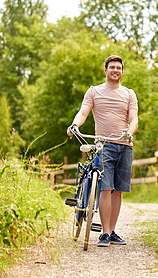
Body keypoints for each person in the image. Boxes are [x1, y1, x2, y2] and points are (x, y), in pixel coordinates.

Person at [67, 55, 138, 247]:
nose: (115, 70)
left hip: (124, 145)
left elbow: (134, 119)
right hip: (103, 145)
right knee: (105, 188)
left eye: (119, 68)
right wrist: (74, 125)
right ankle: (105, 233)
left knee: (118, 190)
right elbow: (83, 112)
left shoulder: (129, 94)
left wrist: (130, 132)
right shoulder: (94, 91)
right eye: (112, 67)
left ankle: (112, 231)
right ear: (105, 70)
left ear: (122, 72)